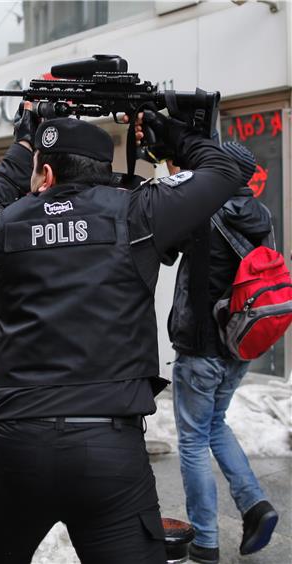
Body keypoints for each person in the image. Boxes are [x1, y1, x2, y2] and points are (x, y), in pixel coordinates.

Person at [0, 101, 244, 563]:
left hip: (15, 446)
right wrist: (169, 132)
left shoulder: (7, 226)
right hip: (108, 450)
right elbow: (227, 168)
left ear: (46, 176)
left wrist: (20, 148)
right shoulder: (138, 211)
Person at [167, 141, 278, 564]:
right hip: (241, 343)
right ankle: (255, 504)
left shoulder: (203, 212)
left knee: (194, 440)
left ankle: (206, 541)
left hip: (201, 347)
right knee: (214, 425)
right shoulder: (261, 214)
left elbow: (164, 248)